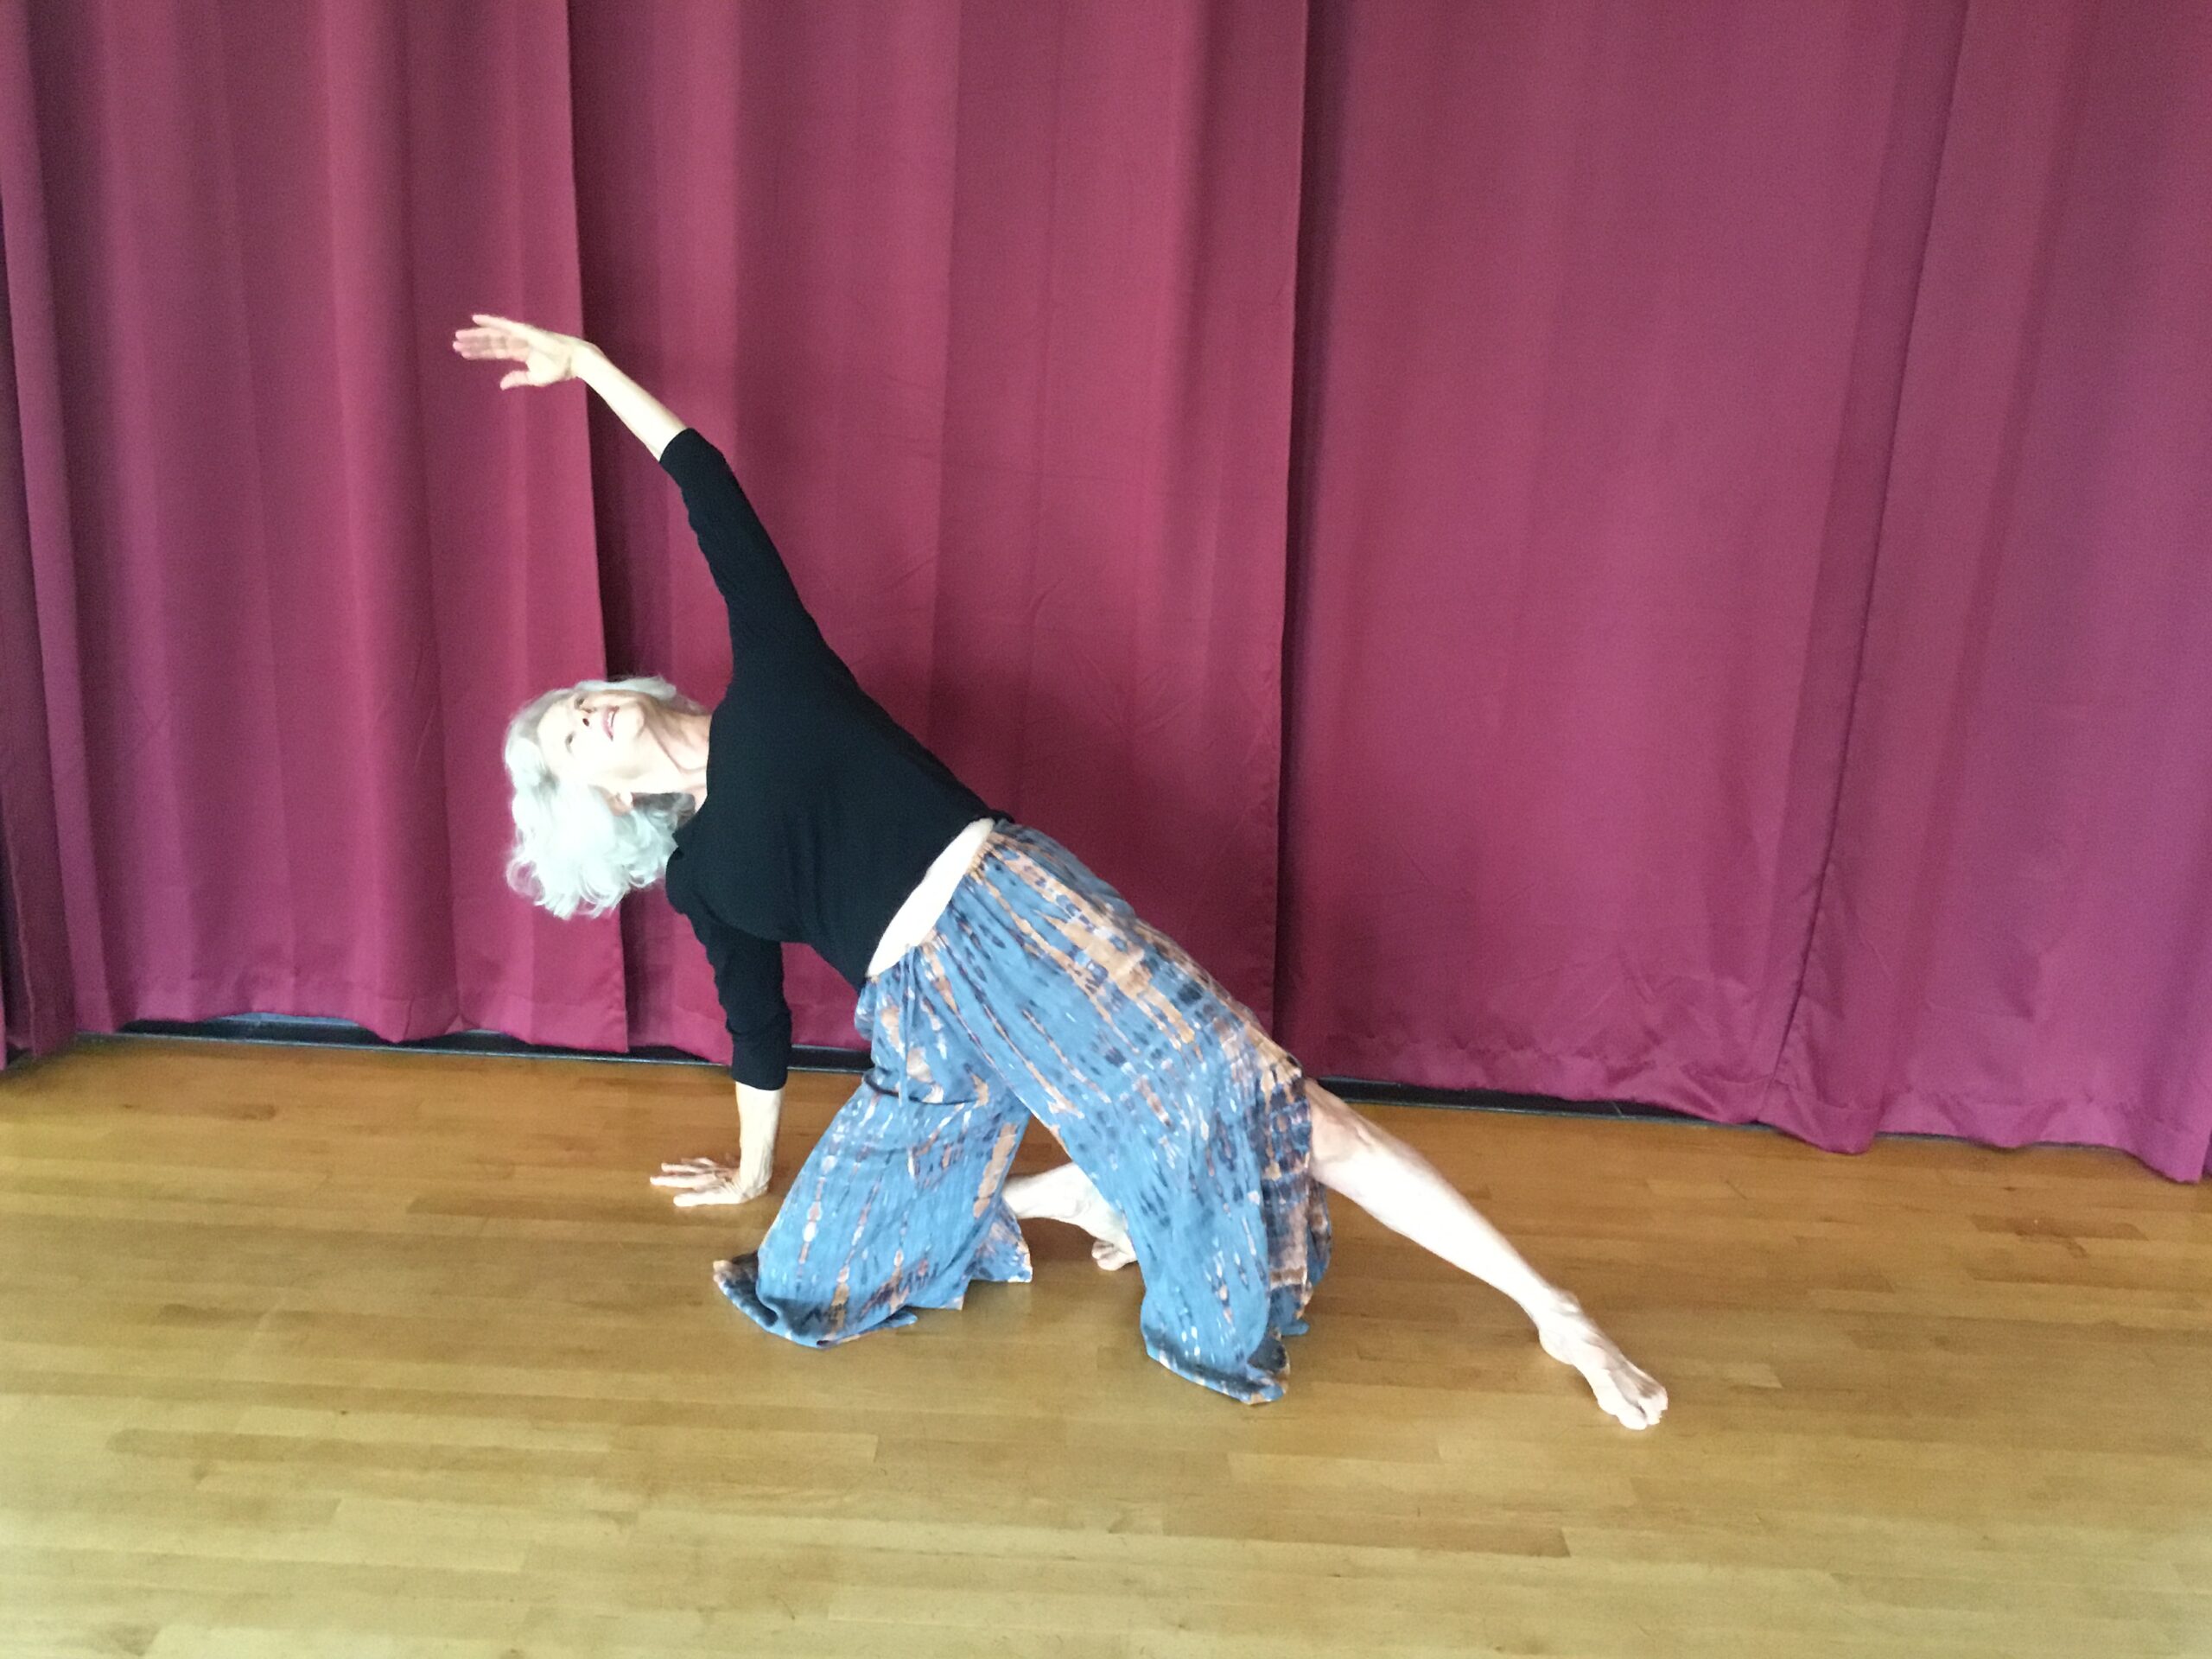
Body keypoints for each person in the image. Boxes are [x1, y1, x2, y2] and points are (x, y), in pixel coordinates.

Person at [456, 313, 1668, 1428]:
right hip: (921, 1011)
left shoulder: (776, 675)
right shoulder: (701, 877)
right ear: (602, 800)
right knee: (807, 1271)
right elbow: (754, 1018)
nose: (588, 716)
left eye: (580, 701)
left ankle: (1551, 1310)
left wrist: (593, 368)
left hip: (1015, 913)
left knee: (1295, 1115)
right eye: (570, 742)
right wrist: (754, 1166)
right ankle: (1084, 1191)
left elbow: (708, 489)